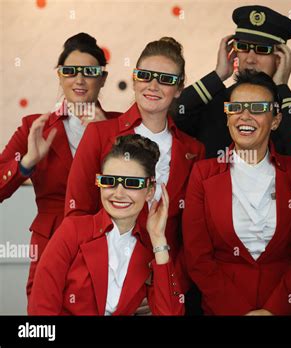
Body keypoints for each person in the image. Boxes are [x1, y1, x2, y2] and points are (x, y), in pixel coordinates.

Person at [64, 38, 205, 308]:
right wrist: (111, 281)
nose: (152, 86)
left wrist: (166, 284)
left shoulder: (193, 150)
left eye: (165, 79)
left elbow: (193, 238)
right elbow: (77, 214)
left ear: (179, 89)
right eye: (144, 76)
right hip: (102, 287)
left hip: (161, 291)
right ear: (135, 79)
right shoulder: (100, 134)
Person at [182, 71, 291, 315]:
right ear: (227, 117)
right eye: (236, 108)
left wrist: (275, 309)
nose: (245, 116)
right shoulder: (203, 173)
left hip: (285, 307)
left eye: (257, 108)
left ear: (275, 120)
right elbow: (197, 257)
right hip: (222, 308)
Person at [0, 32, 120, 298]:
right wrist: (27, 163)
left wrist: (107, 137)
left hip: (107, 242)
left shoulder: (120, 125)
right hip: (50, 245)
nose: (79, 79)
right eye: (69, 71)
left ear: (103, 78)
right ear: (60, 76)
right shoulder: (34, 125)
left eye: (89, 71)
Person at [29, 134, 184, 315]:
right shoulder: (72, 231)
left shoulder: (151, 249)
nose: (118, 193)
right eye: (109, 181)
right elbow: (41, 307)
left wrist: (158, 239)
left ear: (149, 191)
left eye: (132, 184)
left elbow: (171, 313)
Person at [174, 5, 291, 158]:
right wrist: (218, 75)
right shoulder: (212, 104)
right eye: (243, 47)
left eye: (262, 50)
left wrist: (282, 88)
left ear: (280, 58)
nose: (250, 59)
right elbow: (173, 114)